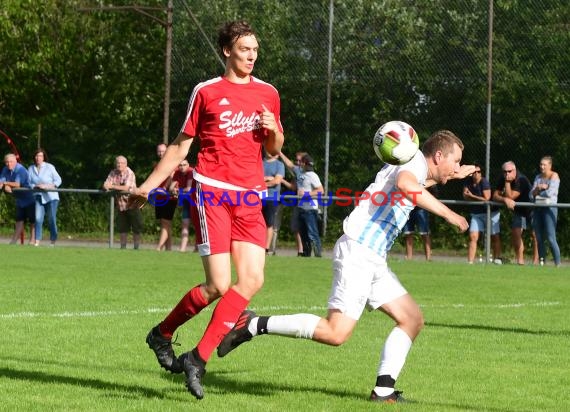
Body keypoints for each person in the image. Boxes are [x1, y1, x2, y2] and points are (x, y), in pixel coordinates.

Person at [218, 130, 474, 403]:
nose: (458, 167)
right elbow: (406, 184)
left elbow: (415, 181)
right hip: (359, 253)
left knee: (411, 319)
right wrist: (449, 213)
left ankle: (383, 391)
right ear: (438, 156)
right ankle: (253, 324)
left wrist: (451, 175)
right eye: (455, 161)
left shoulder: (413, 163)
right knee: (335, 332)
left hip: (372, 257)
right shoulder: (411, 163)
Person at [129, 20, 284, 400]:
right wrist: (148, 187)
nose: (251, 55)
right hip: (212, 191)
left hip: (250, 195)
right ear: (227, 50)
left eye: (255, 50)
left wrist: (273, 127)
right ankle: (162, 333)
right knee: (218, 284)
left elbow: (273, 149)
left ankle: (198, 358)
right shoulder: (207, 92)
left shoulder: (268, 93)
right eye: (245, 48)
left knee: (252, 280)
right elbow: (181, 149)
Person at [492, 161, 534, 265]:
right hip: (519, 211)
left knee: (535, 235)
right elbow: (494, 196)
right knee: (516, 233)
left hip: (531, 209)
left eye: (509, 171)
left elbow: (510, 196)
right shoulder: (503, 177)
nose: (507, 174)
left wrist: (506, 184)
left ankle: (536, 261)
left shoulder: (521, 179)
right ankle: (520, 261)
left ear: (515, 170)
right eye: (504, 172)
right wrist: (504, 200)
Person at [462, 163, 502, 264]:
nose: (476, 174)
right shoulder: (468, 181)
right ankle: (470, 262)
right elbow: (465, 196)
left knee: (494, 236)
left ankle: (497, 259)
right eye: (474, 172)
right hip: (477, 214)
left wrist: (472, 196)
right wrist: (471, 196)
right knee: (473, 236)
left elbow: (487, 198)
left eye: (478, 172)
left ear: (481, 174)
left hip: (491, 213)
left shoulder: (484, 182)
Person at [103, 156, 142, 249]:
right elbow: (105, 184)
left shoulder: (130, 173)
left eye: (121, 163)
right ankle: (122, 248)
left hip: (132, 204)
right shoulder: (113, 173)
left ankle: (136, 248)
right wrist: (106, 186)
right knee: (122, 228)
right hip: (120, 205)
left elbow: (126, 187)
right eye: (118, 163)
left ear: (126, 164)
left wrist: (111, 186)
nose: (119, 165)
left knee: (136, 227)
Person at [28, 148, 62, 247]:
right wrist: (35, 186)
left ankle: (53, 240)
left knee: (51, 219)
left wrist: (47, 186)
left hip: (51, 197)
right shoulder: (31, 168)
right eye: (36, 156)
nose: (38, 158)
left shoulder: (49, 167)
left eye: (40, 156)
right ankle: (37, 240)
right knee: (38, 218)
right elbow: (29, 182)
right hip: (38, 196)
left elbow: (58, 180)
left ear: (43, 157)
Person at [530, 156, 561, 267]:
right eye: (541, 164)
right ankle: (542, 263)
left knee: (550, 237)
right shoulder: (538, 177)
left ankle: (558, 264)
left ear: (550, 165)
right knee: (538, 237)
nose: (542, 167)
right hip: (538, 209)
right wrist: (539, 188)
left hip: (550, 209)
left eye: (544, 164)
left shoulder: (554, 176)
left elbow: (550, 193)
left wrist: (538, 191)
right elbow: (530, 195)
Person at [0, 153, 35, 244]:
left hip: (29, 198)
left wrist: (5, 184)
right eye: (7, 162)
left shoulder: (21, 170)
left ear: (15, 161)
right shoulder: (5, 169)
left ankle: (32, 240)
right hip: (19, 199)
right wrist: (3, 185)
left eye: (11, 162)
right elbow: (1, 181)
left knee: (32, 220)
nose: (9, 164)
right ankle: (13, 242)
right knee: (19, 220)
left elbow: (17, 184)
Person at [279, 151, 307, 256]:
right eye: (297, 160)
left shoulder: (307, 172)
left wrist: (280, 153)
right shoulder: (297, 173)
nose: (297, 162)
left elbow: (289, 164)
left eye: (300, 160)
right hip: (298, 203)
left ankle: (310, 250)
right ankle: (300, 250)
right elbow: (293, 187)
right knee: (296, 227)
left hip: (308, 203)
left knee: (308, 228)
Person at [297, 154, 324, 257]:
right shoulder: (301, 174)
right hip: (302, 208)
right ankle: (306, 254)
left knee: (312, 234)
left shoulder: (312, 175)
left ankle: (318, 254)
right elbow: (290, 166)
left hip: (310, 209)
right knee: (303, 234)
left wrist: (306, 194)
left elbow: (321, 191)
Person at [403, 185, 438, 261]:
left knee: (425, 233)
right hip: (408, 207)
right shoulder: (408, 177)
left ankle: (428, 258)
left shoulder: (425, 178)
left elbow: (434, 191)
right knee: (408, 233)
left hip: (421, 208)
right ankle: (409, 258)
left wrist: (427, 202)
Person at [154, 143, 177, 251]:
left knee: (165, 222)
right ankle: (169, 249)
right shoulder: (157, 164)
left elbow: (172, 175)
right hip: (159, 197)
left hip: (168, 197)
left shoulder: (171, 162)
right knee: (165, 224)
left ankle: (159, 248)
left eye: (163, 151)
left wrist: (164, 187)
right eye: (159, 151)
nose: (161, 153)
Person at [262, 151, 285, 254]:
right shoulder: (259, 163)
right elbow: (253, 179)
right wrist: (267, 179)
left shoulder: (279, 165)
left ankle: (266, 248)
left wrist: (261, 183)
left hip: (272, 198)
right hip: (258, 197)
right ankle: (259, 245)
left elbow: (277, 181)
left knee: (269, 223)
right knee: (258, 223)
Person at [170, 159, 195, 252]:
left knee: (197, 226)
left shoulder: (190, 171)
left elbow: (188, 188)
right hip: (186, 201)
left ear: (188, 165)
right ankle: (182, 249)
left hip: (195, 202)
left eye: (184, 165)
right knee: (185, 224)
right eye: (180, 165)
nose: (182, 167)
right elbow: (171, 187)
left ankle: (197, 247)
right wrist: (175, 190)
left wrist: (177, 190)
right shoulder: (177, 172)